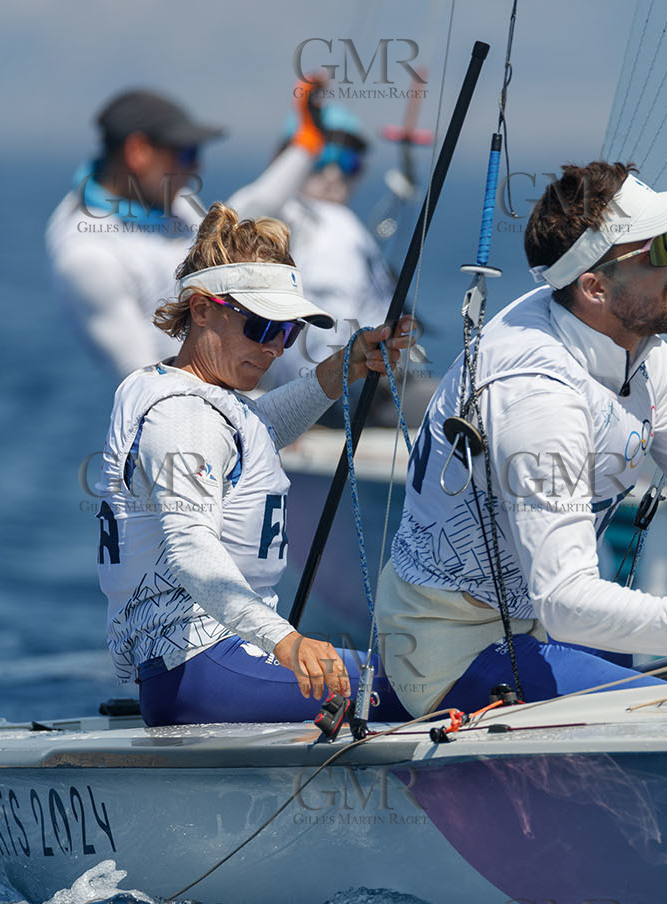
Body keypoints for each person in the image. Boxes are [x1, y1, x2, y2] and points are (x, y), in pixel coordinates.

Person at [376, 161, 667, 716]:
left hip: (538, 620)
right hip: (451, 645)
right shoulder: (538, 396)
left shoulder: (638, 346)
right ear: (594, 287)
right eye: (657, 252)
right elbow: (565, 602)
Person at [95, 202, 415, 727]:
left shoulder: (179, 391)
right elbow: (191, 549)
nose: (273, 349)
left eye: (287, 333)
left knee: (417, 678)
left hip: (203, 666)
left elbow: (254, 433)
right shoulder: (181, 418)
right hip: (205, 670)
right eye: (261, 327)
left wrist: (341, 368)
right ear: (201, 309)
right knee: (430, 684)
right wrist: (287, 642)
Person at [48, 82, 332, 378]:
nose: (198, 166)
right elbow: (140, 376)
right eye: (186, 154)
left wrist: (307, 142)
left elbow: (246, 213)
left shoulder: (173, 201)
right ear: (138, 151)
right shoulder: (87, 257)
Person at [260, 102, 397, 393]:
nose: (334, 174)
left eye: (347, 162)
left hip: (352, 380)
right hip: (333, 388)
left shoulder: (346, 226)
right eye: (321, 158)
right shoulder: (315, 221)